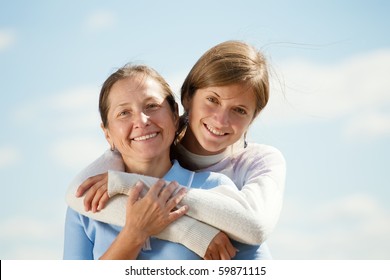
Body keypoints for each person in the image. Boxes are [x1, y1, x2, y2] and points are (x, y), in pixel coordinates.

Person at [67, 40, 286, 260]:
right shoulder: (86, 202)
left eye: (152, 106)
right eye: (123, 113)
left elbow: (255, 232)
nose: (142, 121)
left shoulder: (219, 190)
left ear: (174, 113)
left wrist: (132, 187)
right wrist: (137, 233)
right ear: (107, 133)